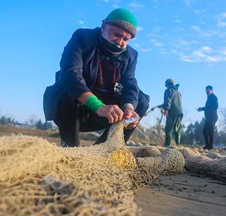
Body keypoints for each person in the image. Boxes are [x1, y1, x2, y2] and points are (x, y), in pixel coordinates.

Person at [43, 8, 149, 147]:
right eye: (117, 34)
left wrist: (128, 108)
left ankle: (106, 147)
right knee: (66, 85)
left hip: (105, 114)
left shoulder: (131, 55)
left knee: (141, 100)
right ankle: (70, 144)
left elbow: (130, 83)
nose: (120, 42)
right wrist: (97, 105)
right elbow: (71, 72)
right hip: (75, 110)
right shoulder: (82, 38)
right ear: (103, 26)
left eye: (126, 39)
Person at [158, 78, 183, 147]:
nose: (166, 86)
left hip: (172, 112)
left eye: (166, 85)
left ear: (168, 85)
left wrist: (166, 109)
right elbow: (173, 101)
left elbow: (168, 101)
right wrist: (161, 106)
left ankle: (167, 144)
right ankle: (177, 145)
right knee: (177, 129)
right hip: (180, 113)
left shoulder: (168, 90)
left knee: (168, 129)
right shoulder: (178, 92)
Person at [197, 85, 218, 150]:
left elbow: (215, 106)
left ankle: (210, 147)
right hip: (208, 118)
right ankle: (207, 145)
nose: (207, 92)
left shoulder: (214, 97)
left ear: (212, 90)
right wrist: (202, 109)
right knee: (205, 131)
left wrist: (207, 109)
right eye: (206, 91)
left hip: (212, 117)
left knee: (210, 131)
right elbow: (207, 107)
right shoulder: (209, 98)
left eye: (208, 91)